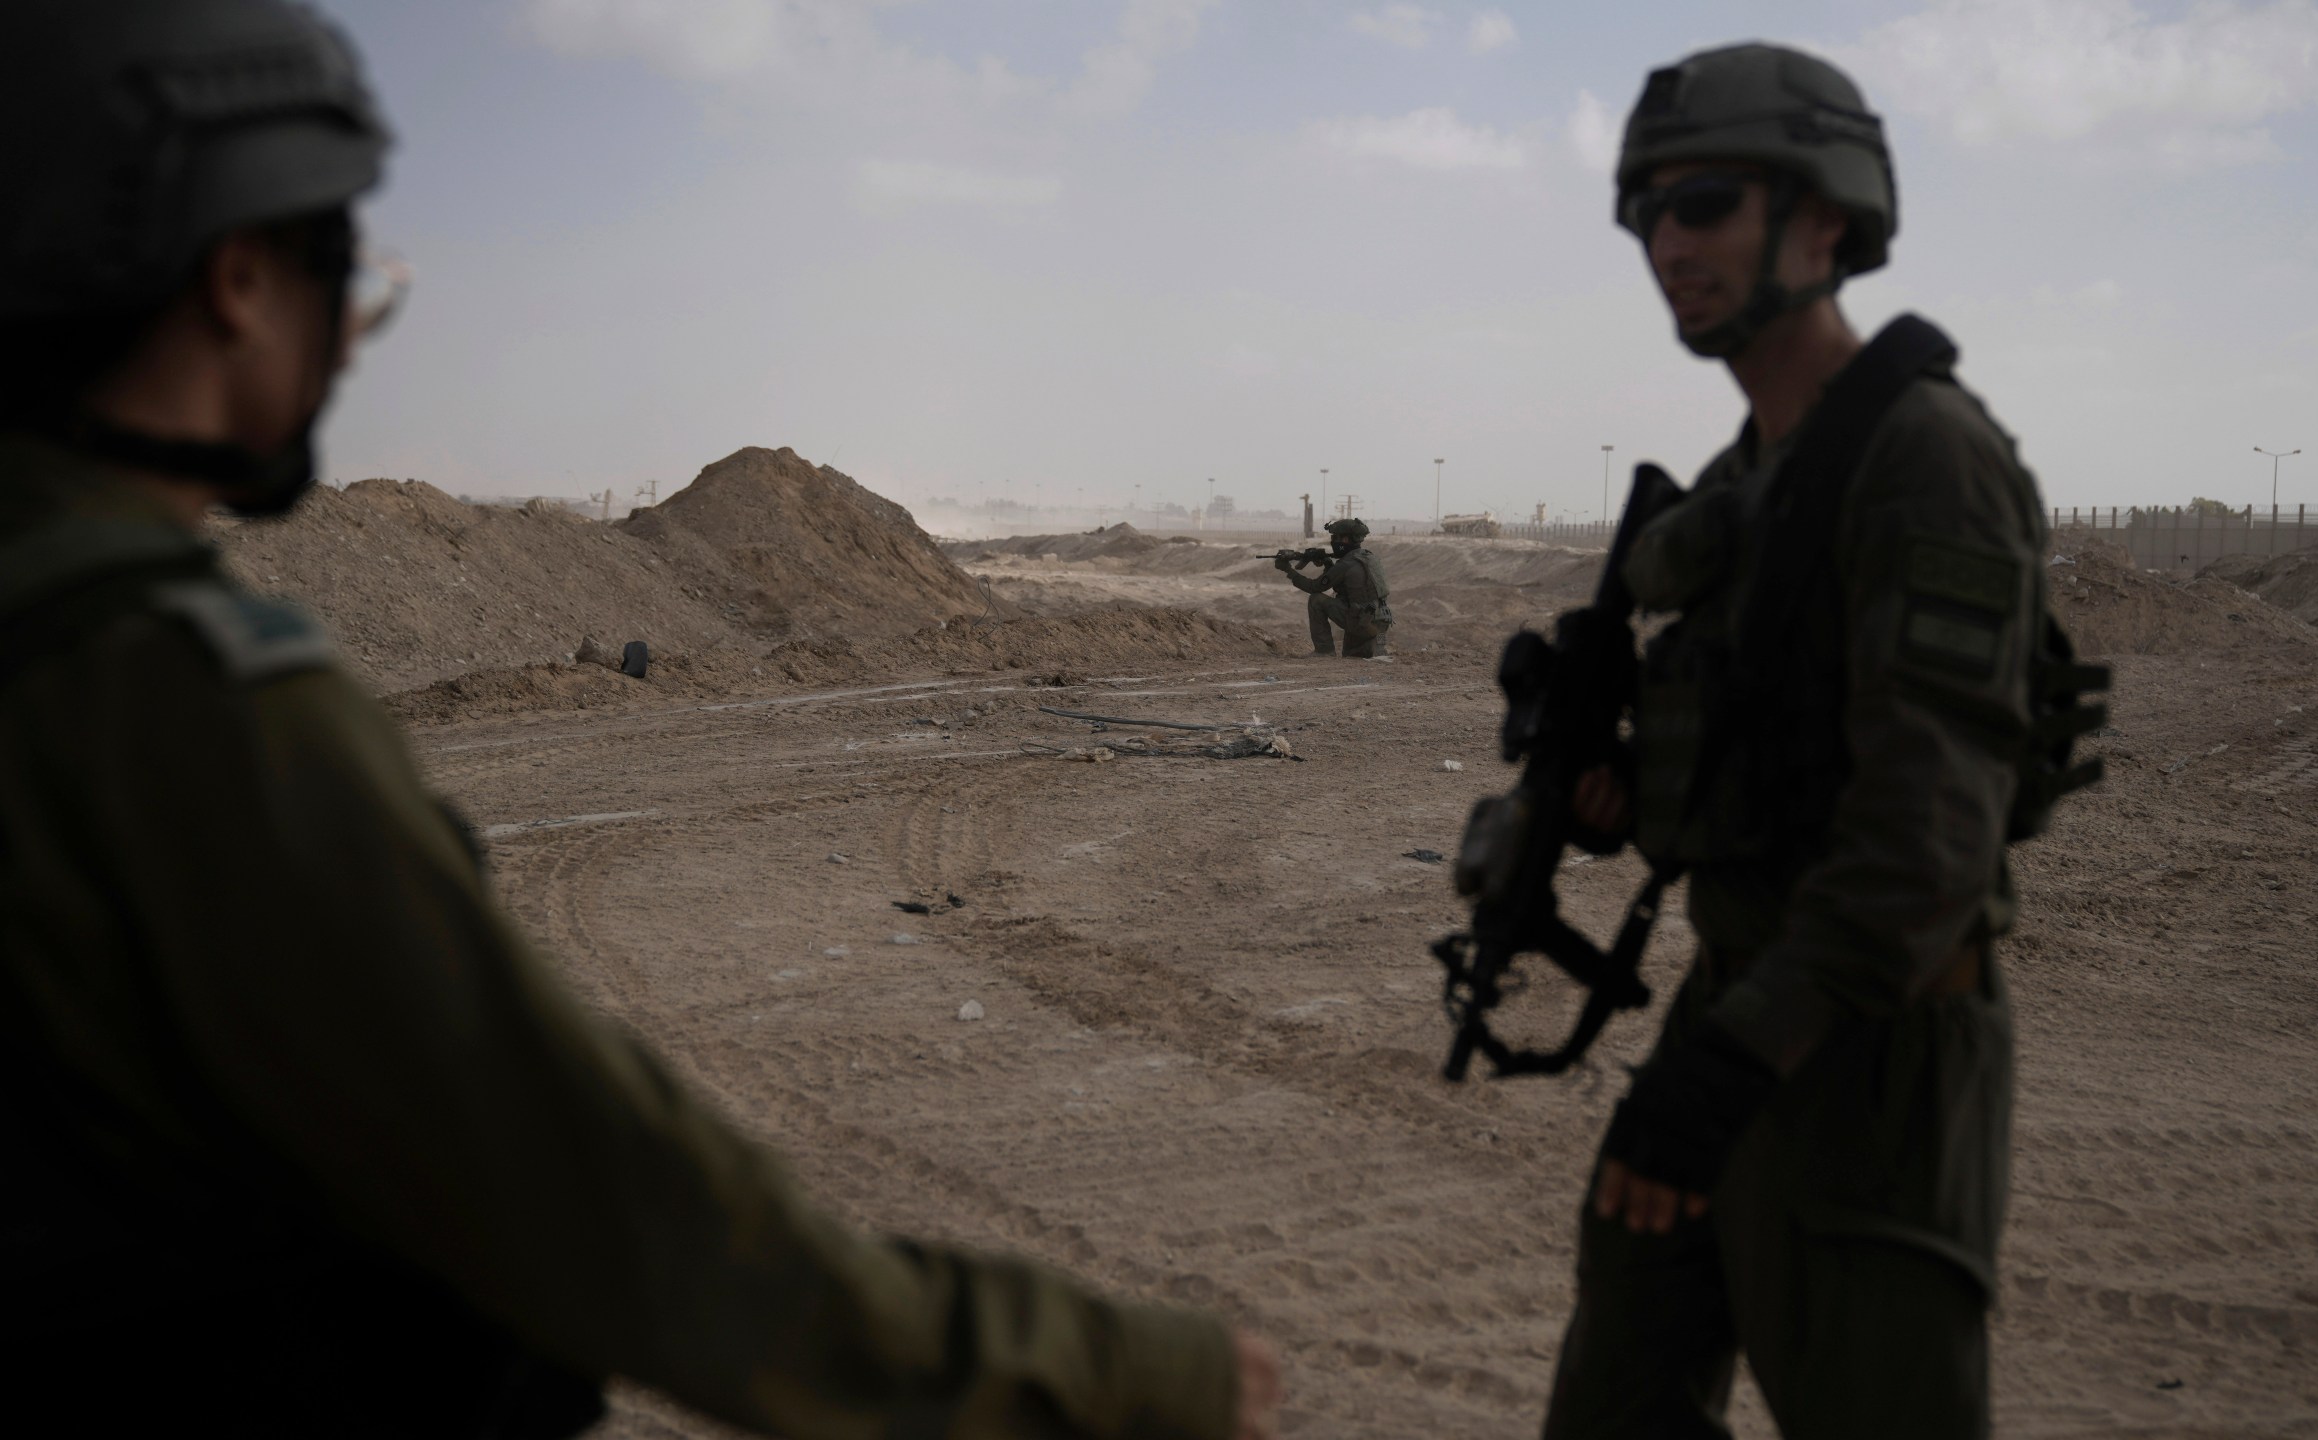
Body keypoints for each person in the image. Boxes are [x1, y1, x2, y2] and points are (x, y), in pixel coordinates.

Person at [0, 3, 1280, 1436]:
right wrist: (1112, 1378)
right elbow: (614, 1214)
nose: (354, 343)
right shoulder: (180, 707)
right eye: (341, 277)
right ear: (236, 279)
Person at [1542, 42, 2062, 1439]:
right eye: (1645, 212)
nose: (1666, 243)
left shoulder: (1925, 459)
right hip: (1746, 993)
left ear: (1825, 219)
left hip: (1871, 1052)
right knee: (1617, 1398)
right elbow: (1765, 758)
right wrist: (1622, 791)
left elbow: (1924, 847)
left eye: (1702, 202)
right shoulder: (1749, 477)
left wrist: (1727, 1066)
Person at [1277, 517, 1392, 657]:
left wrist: (1288, 571)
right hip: (1381, 624)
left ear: (1345, 540)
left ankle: (1324, 651)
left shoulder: (1345, 564)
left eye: (1335, 538)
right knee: (1353, 656)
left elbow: (1314, 587)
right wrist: (1327, 564)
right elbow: (1348, 587)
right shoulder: (1370, 558)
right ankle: (1379, 648)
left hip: (1361, 623)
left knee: (1316, 600)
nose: (1333, 542)